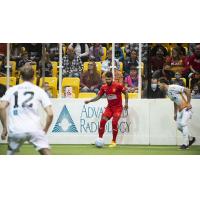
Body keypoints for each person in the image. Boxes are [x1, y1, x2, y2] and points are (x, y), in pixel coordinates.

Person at [0, 64, 53, 155]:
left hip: (16, 129)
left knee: (10, 155)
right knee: (47, 154)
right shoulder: (39, 90)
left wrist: (4, 128)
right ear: (34, 77)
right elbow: (50, 114)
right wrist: (45, 130)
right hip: (34, 128)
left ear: (20, 77)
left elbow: (1, 107)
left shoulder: (12, 90)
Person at [85, 71, 128, 147]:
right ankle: (99, 139)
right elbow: (98, 96)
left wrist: (126, 104)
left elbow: (126, 93)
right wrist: (90, 101)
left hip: (118, 108)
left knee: (114, 123)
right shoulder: (104, 87)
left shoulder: (118, 85)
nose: (108, 81)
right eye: (106, 79)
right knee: (102, 122)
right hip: (109, 108)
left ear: (112, 78)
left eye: (109, 79)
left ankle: (114, 141)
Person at [158, 78, 195, 150]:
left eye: (159, 85)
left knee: (183, 123)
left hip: (186, 108)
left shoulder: (173, 87)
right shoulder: (167, 92)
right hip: (180, 110)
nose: (159, 87)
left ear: (163, 84)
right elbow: (175, 101)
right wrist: (175, 113)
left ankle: (185, 144)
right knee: (179, 126)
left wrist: (188, 103)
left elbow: (187, 90)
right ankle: (191, 138)